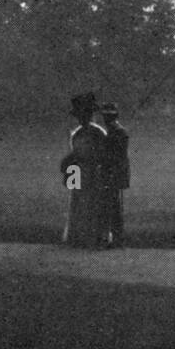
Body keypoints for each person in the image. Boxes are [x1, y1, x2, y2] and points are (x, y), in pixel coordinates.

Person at [60, 92, 109, 248]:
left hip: (93, 172)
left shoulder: (97, 133)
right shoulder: (78, 134)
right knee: (78, 203)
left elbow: (102, 154)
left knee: (92, 204)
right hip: (79, 172)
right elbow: (74, 155)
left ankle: (93, 237)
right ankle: (79, 236)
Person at [99, 102, 130, 248]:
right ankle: (116, 237)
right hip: (114, 172)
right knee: (112, 205)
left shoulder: (118, 132)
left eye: (108, 116)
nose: (106, 118)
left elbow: (118, 156)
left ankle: (116, 238)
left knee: (112, 206)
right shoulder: (115, 131)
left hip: (113, 173)